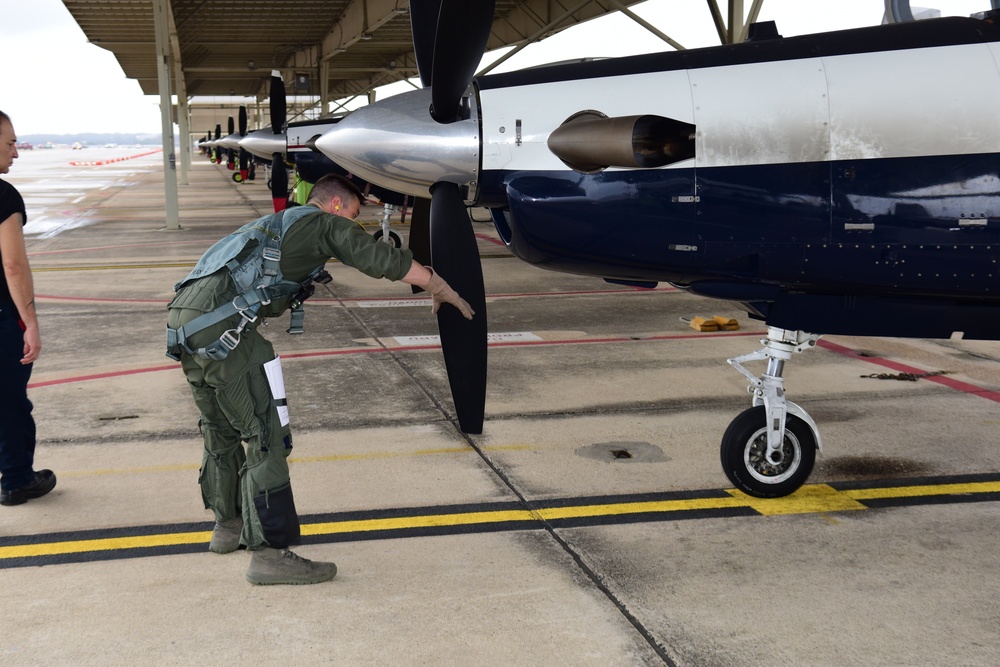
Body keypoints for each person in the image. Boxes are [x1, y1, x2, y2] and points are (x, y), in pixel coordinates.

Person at [166, 173, 473, 585]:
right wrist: (436, 284)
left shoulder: (275, 224)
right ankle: (269, 556)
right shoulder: (321, 223)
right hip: (226, 330)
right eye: (352, 213)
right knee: (265, 436)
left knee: (221, 428)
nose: (352, 222)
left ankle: (229, 527)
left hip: (184, 322)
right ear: (334, 205)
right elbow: (379, 259)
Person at [0, 110, 56, 507]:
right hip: (2, 317)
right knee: (9, 401)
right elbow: (14, 265)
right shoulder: (3, 196)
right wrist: (30, 323)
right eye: (10, 143)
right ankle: (18, 479)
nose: (16, 152)